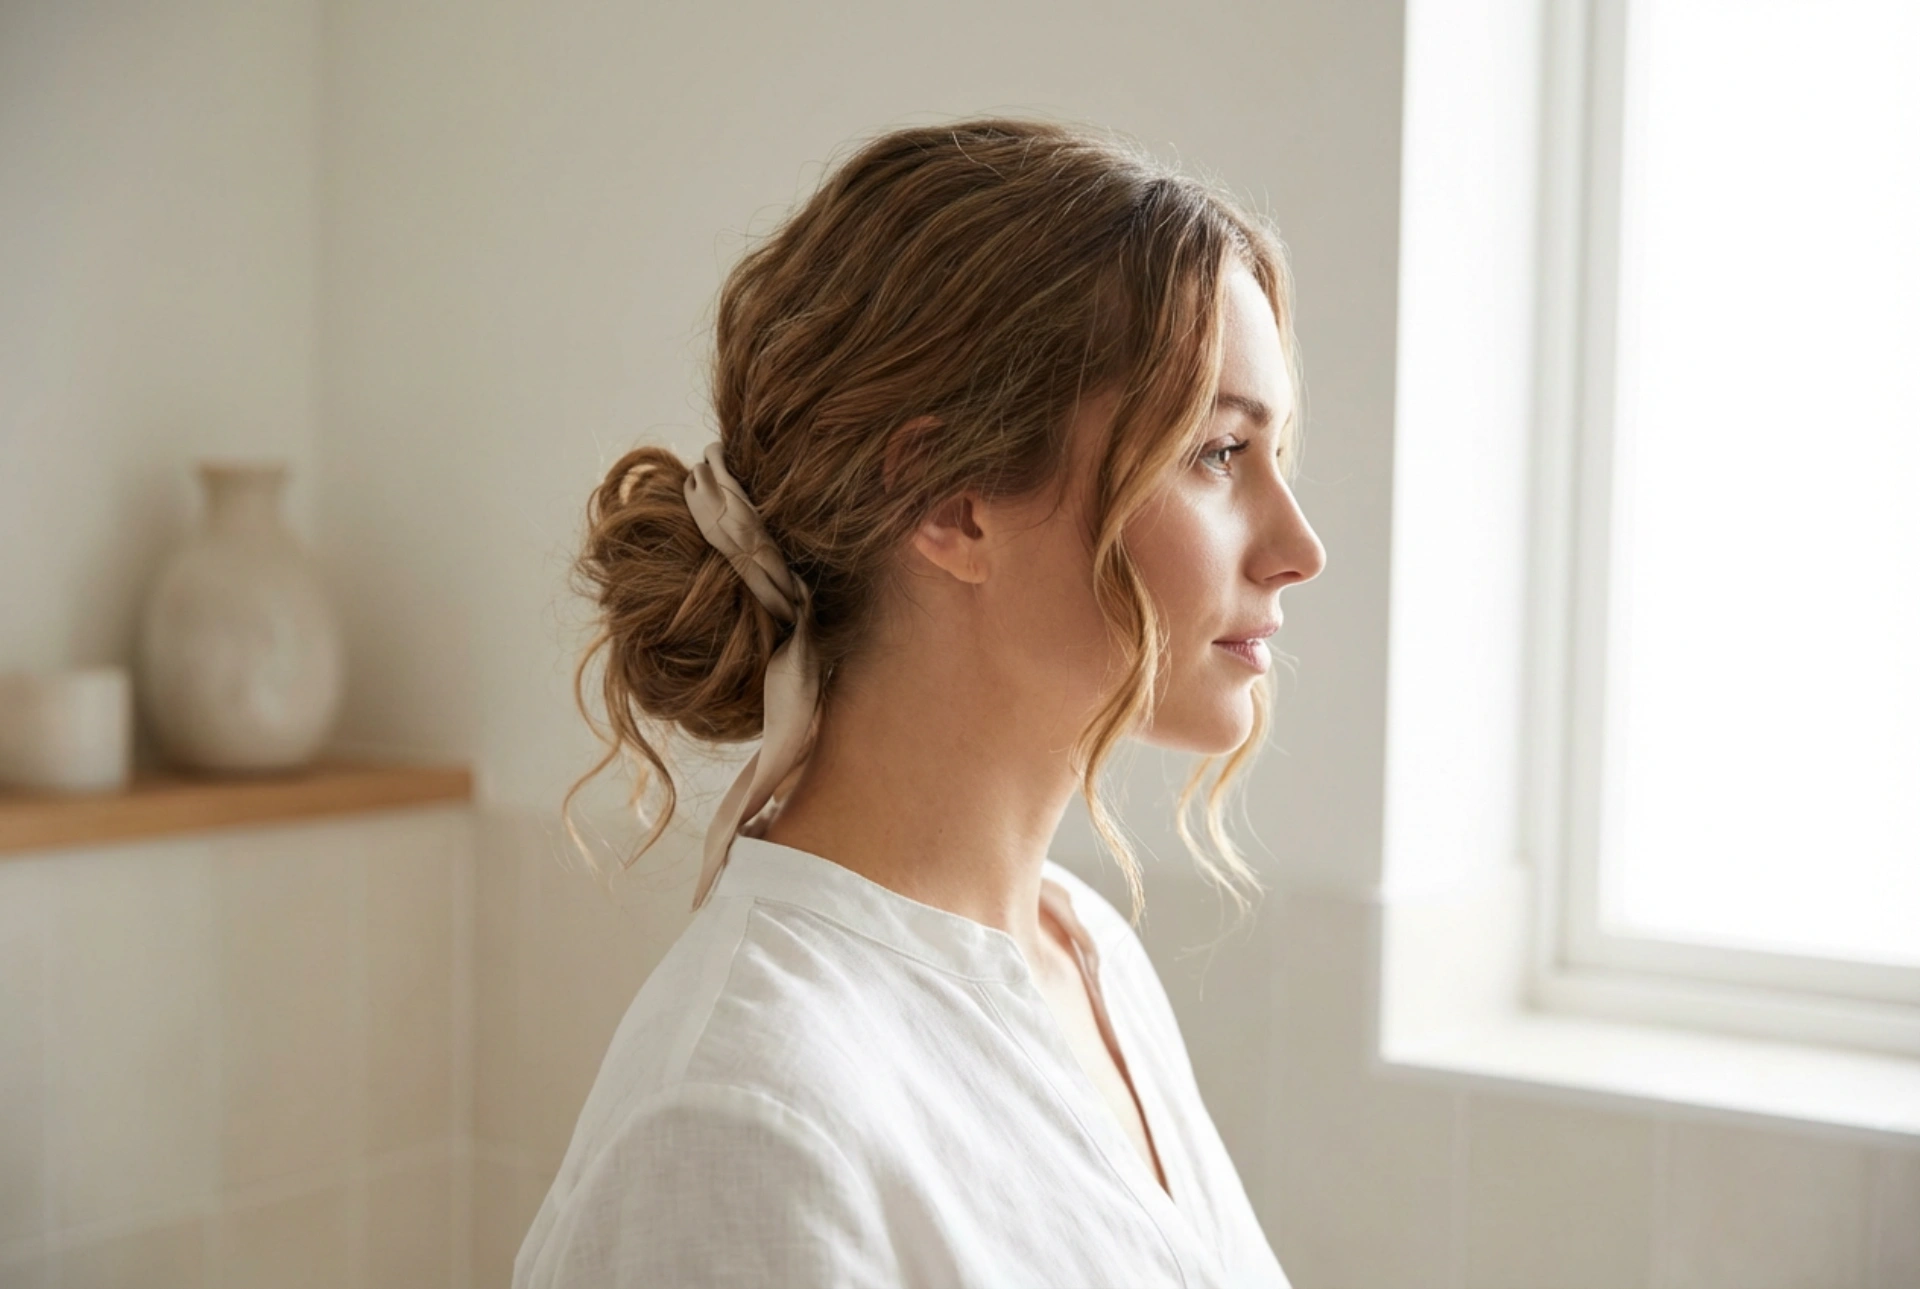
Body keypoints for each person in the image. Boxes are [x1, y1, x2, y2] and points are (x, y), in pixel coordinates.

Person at [516, 117, 1326, 1288]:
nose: (1299, 545)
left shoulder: (1085, 956)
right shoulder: (746, 1118)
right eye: (1215, 452)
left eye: (1274, 453)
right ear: (951, 504)